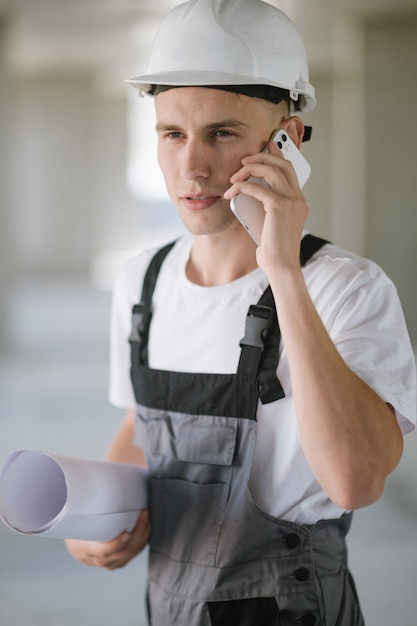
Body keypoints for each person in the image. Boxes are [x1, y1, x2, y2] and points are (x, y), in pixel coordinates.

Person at [66, 1, 416, 624]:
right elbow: (142, 427)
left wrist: (281, 269)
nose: (191, 166)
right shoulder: (142, 283)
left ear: (288, 139)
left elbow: (356, 480)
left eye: (222, 133)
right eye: (172, 133)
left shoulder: (348, 289)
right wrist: (97, 520)